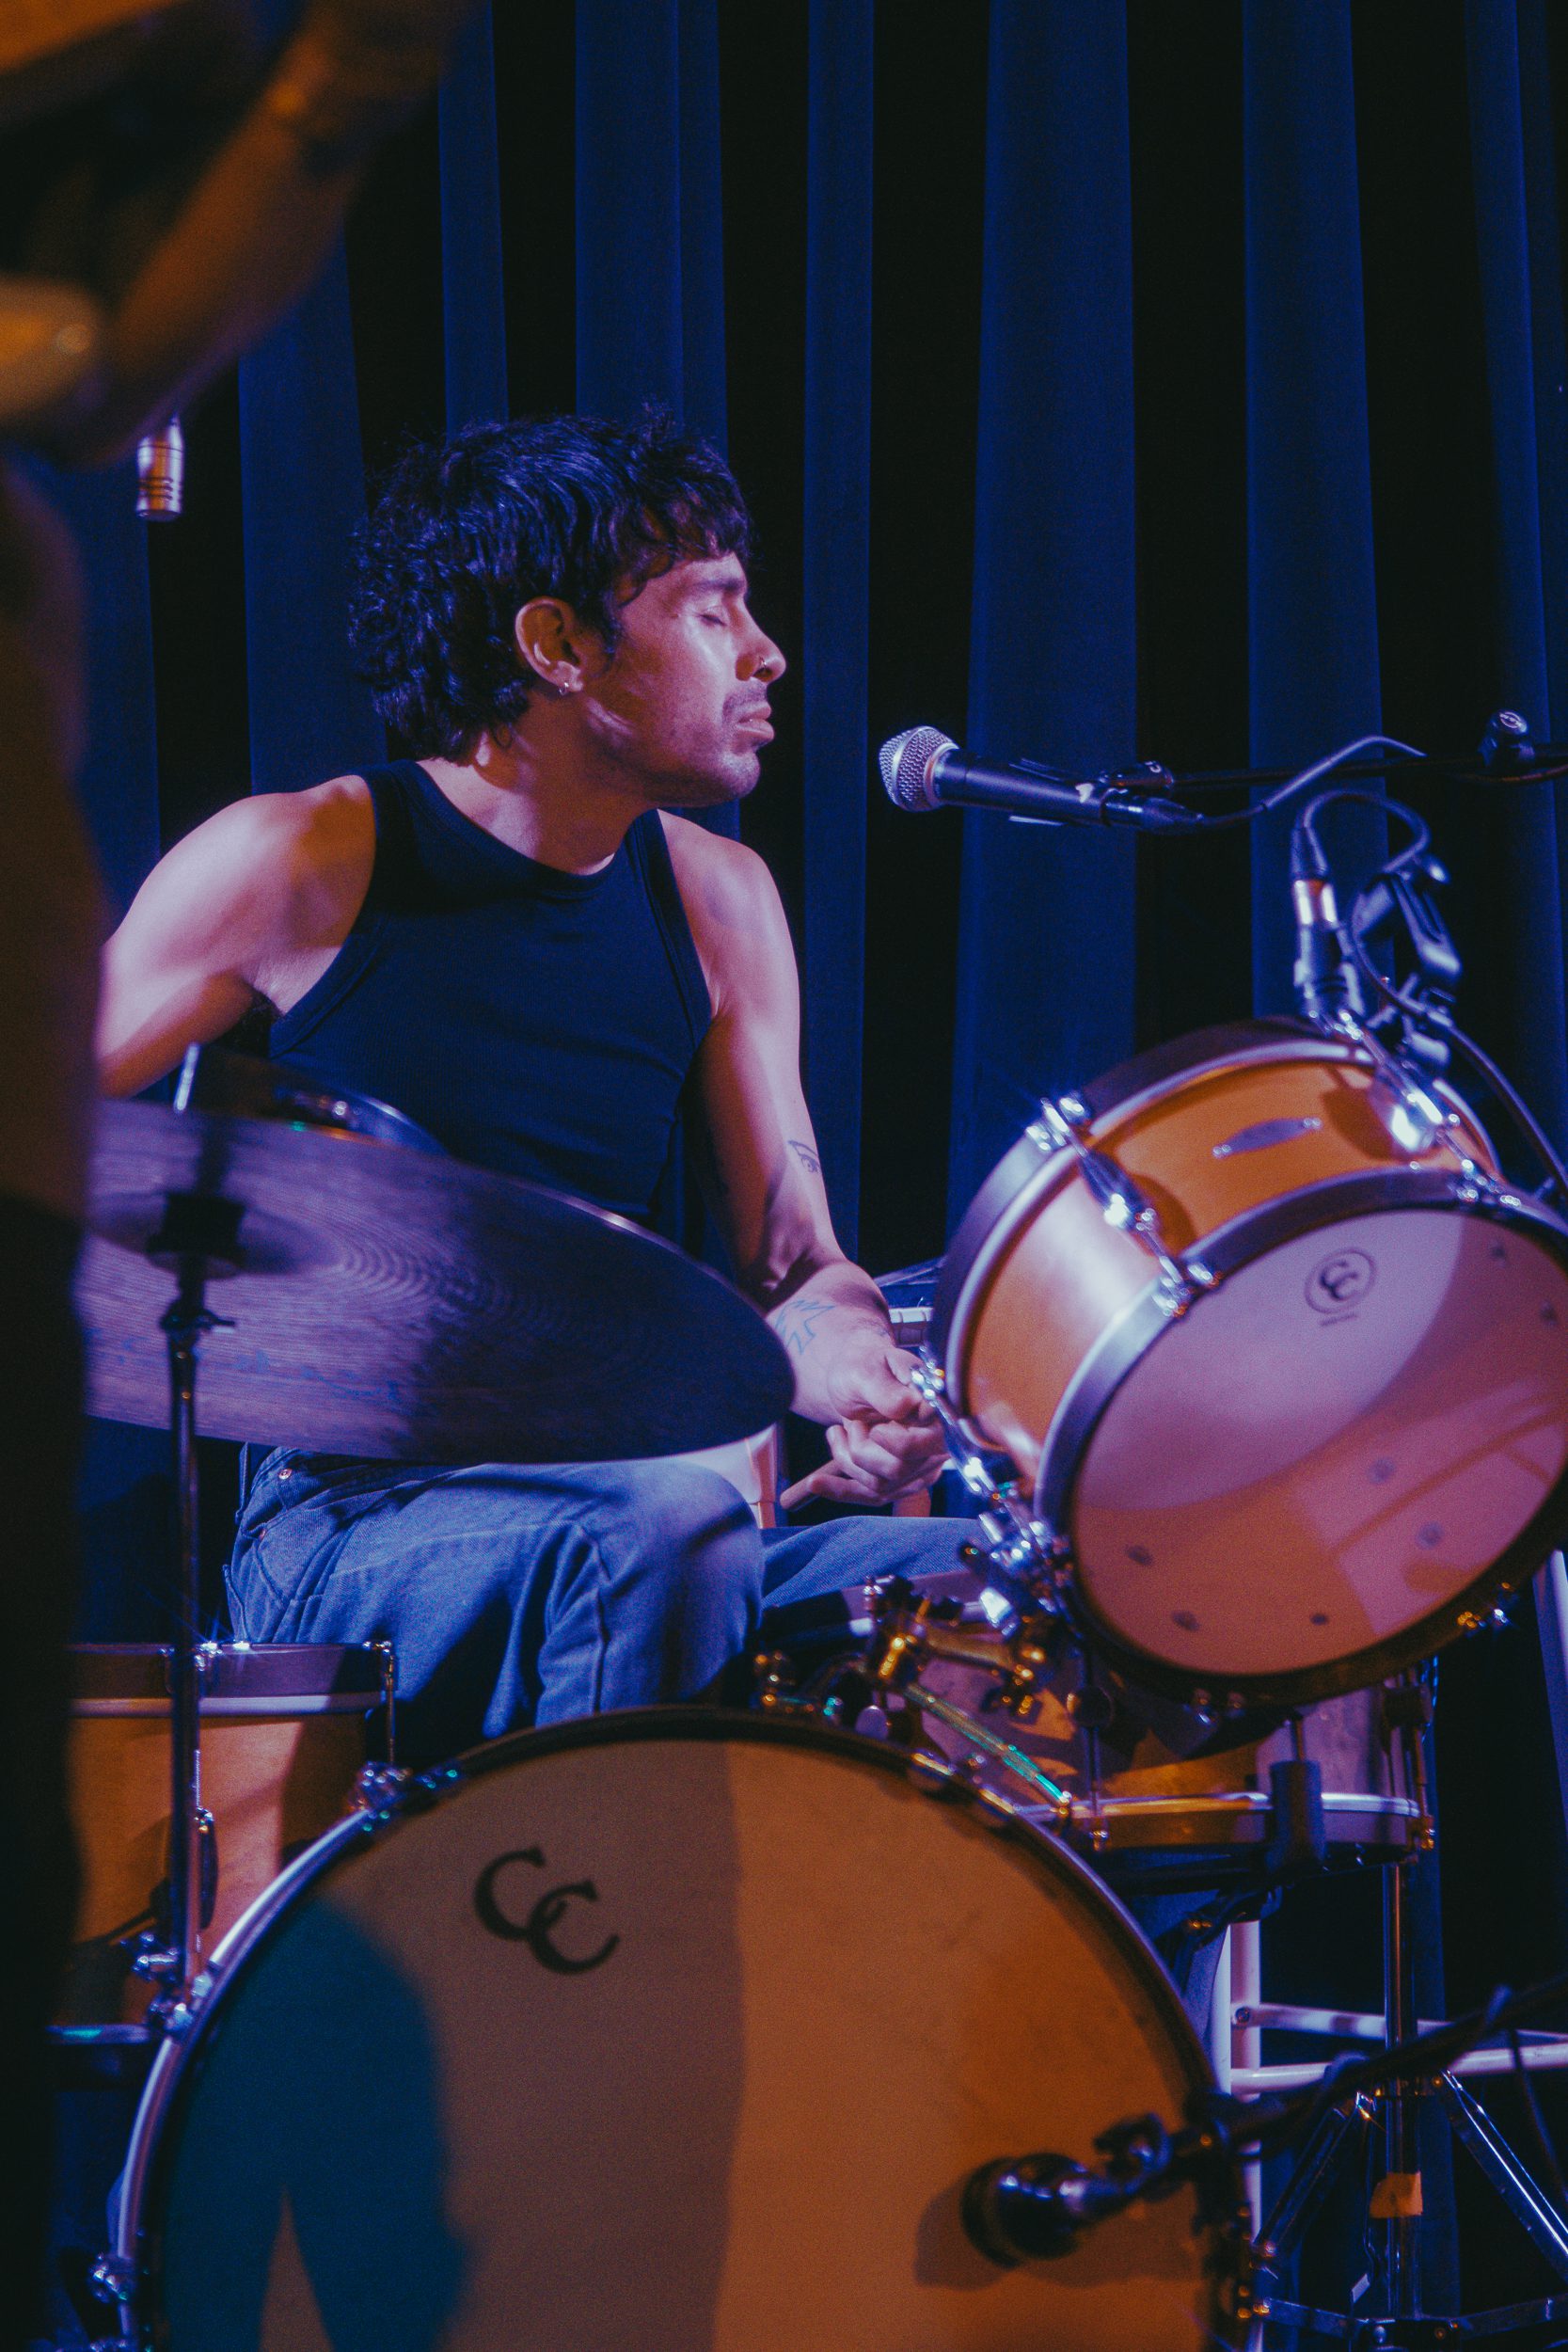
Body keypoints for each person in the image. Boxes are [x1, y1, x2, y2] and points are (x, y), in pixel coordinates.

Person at [97, 410, 966, 1765]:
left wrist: (861, 1380)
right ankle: (587, 1973)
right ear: (556, 646)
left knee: (1019, 1583)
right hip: (350, 1522)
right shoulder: (299, 862)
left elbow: (797, 1268)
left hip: (642, 1503)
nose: (766, 653)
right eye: (711, 612)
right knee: (666, 1525)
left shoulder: (718, 900)